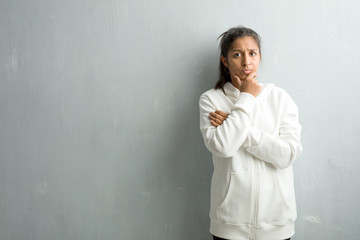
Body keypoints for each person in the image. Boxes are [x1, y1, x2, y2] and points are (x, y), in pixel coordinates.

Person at [199, 26, 303, 240]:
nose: (246, 62)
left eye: (252, 53)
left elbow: (287, 155)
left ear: (259, 57)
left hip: (277, 224)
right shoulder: (211, 100)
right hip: (229, 225)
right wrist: (247, 97)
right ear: (225, 61)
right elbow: (223, 147)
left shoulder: (280, 98)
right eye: (237, 55)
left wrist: (237, 128)